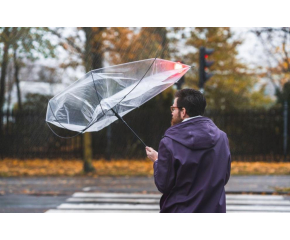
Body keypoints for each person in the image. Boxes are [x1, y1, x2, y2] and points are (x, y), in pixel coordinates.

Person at [145, 88, 231, 213]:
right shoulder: (222, 138)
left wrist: (158, 161)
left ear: (183, 111)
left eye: (173, 108)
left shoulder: (170, 142)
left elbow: (164, 184)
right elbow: (224, 176)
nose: (172, 112)